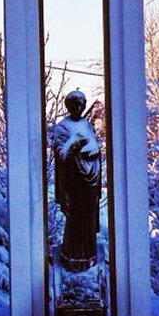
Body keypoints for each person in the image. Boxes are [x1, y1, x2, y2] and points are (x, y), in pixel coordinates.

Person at [53, 90, 102, 272]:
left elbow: (95, 149)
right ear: (68, 106)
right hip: (72, 185)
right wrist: (76, 146)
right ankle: (72, 258)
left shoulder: (87, 125)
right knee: (74, 222)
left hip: (89, 185)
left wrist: (91, 151)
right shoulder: (62, 128)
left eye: (81, 104)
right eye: (75, 104)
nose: (78, 108)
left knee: (88, 222)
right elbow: (62, 154)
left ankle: (89, 257)